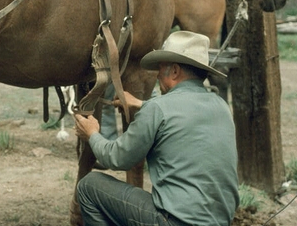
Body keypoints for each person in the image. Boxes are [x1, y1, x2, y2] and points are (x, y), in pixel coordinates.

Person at [74, 31, 239, 226]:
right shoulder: (220, 105)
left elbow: (117, 158)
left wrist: (92, 134)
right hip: (220, 222)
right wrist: (141, 104)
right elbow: (180, 114)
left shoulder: (158, 109)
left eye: (161, 68)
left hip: (175, 222)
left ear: (175, 71)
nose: (158, 75)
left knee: (89, 186)